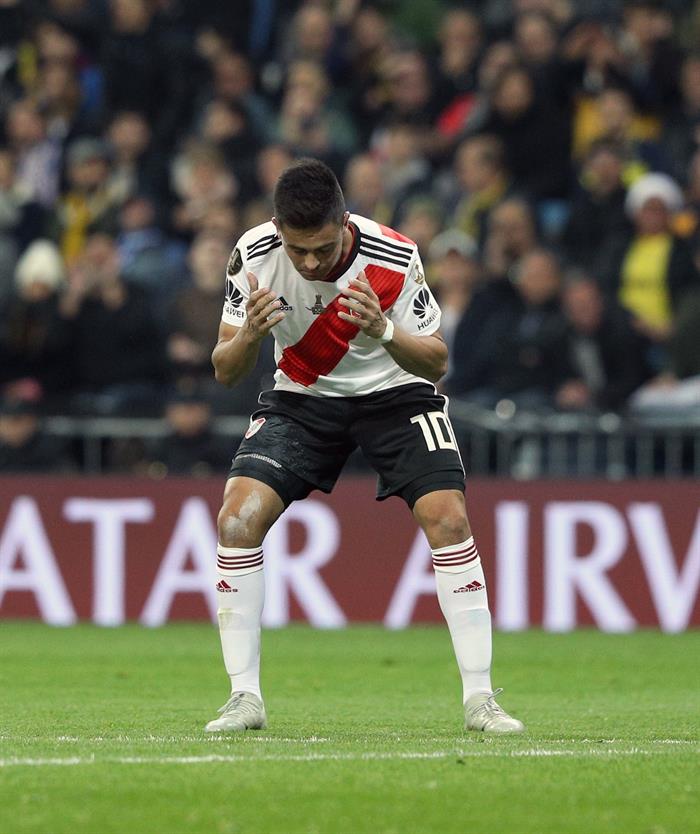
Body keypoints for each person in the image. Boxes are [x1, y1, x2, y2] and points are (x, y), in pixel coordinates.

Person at [206, 158, 524, 735]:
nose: (308, 262)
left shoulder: (395, 255)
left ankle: (481, 699)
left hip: (395, 396)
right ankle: (243, 698)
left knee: (449, 521)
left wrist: (383, 330)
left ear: (344, 221)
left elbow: (436, 360)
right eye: (296, 249)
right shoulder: (253, 253)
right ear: (277, 227)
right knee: (235, 520)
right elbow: (226, 370)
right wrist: (250, 335)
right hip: (301, 397)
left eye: (321, 249)